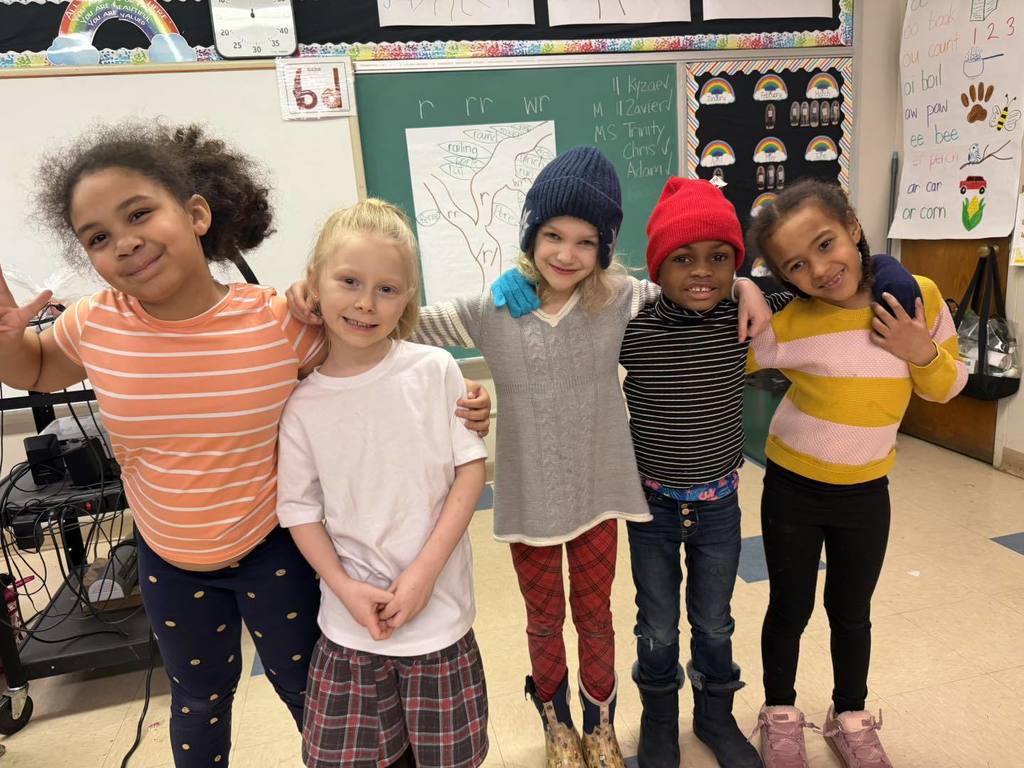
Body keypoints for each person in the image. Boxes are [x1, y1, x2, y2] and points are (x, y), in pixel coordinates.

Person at [0, 123, 490, 768]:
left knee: (310, 694)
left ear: (196, 214)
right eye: (97, 237)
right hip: (169, 557)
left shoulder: (279, 320)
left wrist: (461, 406)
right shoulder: (94, 322)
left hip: (271, 549)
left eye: (139, 214)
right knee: (197, 703)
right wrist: (7, 339)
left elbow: (368, 358)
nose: (125, 242)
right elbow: (36, 369)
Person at [289, 147, 773, 766]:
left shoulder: (620, 298)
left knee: (595, 618)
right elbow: (403, 319)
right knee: (543, 622)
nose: (567, 254)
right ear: (531, 235)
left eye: (586, 241)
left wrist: (745, 283)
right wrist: (309, 298)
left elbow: (691, 280)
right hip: (528, 504)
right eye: (553, 236)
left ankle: (600, 724)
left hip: (598, 496)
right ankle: (558, 723)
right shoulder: (495, 307)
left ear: (605, 248)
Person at [746, 178, 967, 768]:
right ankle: (779, 712)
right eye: (796, 265)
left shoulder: (915, 298)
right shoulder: (792, 323)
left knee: (852, 610)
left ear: (853, 227)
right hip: (792, 487)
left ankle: (850, 714)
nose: (819, 270)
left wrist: (921, 351)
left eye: (825, 244)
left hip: (866, 492)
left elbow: (948, 386)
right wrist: (742, 289)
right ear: (783, 278)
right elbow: (727, 356)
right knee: (789, 608)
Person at [276, 199, 489, 768]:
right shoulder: (301, 406)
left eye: (387, 289)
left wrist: (423, 575)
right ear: (314, 284)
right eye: (349, 281)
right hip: (349, 625)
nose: (366, 303)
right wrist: (344, 586)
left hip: (439, 618)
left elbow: (470, 470)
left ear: (408, 298)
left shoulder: (435, 370)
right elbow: (299, 511)